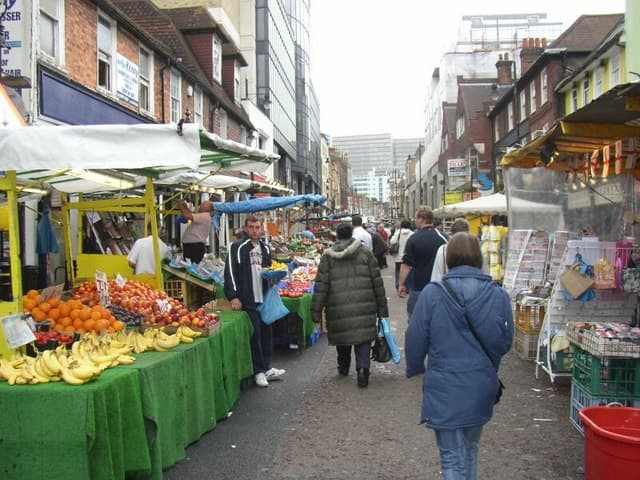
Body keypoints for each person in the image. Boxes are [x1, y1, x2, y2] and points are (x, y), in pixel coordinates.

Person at [405, 232, 513, 480]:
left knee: (452, 456)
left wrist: (415, 366)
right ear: (478, 257)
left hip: (445, 384)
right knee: (471, 449)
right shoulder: (497, 294)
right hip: (481, 383)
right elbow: (505, 341)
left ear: (448, 258)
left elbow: (415, 336)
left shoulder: (433, 293)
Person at [311, 222, 389, 388]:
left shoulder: (327, 257)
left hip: (338, 306)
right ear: (352, 234)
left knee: (343, 338)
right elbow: (378, 283)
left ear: (337, 236)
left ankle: (344, 367)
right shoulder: (366, 253)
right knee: (363, 339)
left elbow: (321, 286)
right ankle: (362, 370)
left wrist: (316, 312)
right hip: (364, 306)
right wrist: (382, 309)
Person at [224, 216, 286, 388]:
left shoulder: (266, 248)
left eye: (257, 227)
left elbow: (269, 269)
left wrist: (274, 279)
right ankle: (258, 370)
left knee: (267, 332)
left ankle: (266, 367)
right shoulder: (238, 248)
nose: (254, 230)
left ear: (262, 228)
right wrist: (234, 295)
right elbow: (230, 272)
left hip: (264, 297)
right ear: (245, 228)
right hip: (248, 298)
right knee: (255, 335)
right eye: (251, 227)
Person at [397, 206, 447, 318]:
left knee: (415, 320)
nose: (415, 221)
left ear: (421, 219)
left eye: (416, 218)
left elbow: (406, 265)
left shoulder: (414, 239)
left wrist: (401, 284)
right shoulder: (443, 238)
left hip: (419, 287)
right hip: (441, 287)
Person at [430, 218, 470, 282]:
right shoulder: (475, 249)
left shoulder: (443, 250)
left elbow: (436, 277)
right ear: (468, 232)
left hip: (447, 288)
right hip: (471, 289)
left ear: (452, 233)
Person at [179, 199, 213, 264]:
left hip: (194, 247)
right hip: (193, 246)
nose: (200, 206)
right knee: (190, 265)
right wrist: (185, 206)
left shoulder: (204, 216)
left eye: (202, 205)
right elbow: (189, 213)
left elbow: (187, 215)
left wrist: (182, 204)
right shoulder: (203, 216)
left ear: (207, 208)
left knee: (191, 266)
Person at [389, 219, 413, 289]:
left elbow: (392, 241)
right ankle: (407, 284)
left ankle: (398, 283)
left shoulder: (398, 232)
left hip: (398, 256)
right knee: (408, 270)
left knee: (398, 270)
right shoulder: (412, 233)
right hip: (408, 255)